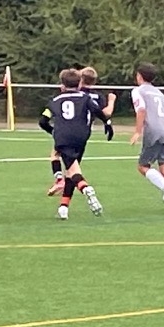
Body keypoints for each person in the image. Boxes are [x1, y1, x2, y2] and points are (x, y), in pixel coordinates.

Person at [39, 68, 105, 219]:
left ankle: (84, 187)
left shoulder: (55, 101)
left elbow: (43, 121)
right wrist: (107, 122)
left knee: (73, 171)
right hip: (81, 138)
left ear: (62, 85)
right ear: (79, 83)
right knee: (71, 170)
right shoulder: (85, 98)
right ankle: (64, 207)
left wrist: (53, 132)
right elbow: (98, 111)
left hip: (64, 138)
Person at [46, 66, 116, 196]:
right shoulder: (96, 96)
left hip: (66, 131)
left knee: (57, 155)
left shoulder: (74, 94)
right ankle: (65, 201)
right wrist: (111, 104)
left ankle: (63, 181)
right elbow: (104, 113)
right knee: (73, 164)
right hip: (83, 133)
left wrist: (54, 131)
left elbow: (45, 119)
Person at [130, 62, 164, 213]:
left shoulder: (138, 91)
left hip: (154, 131)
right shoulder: (159, 93)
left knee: (143, 166)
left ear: (139, 76)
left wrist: (137, 131)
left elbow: (141, 110)